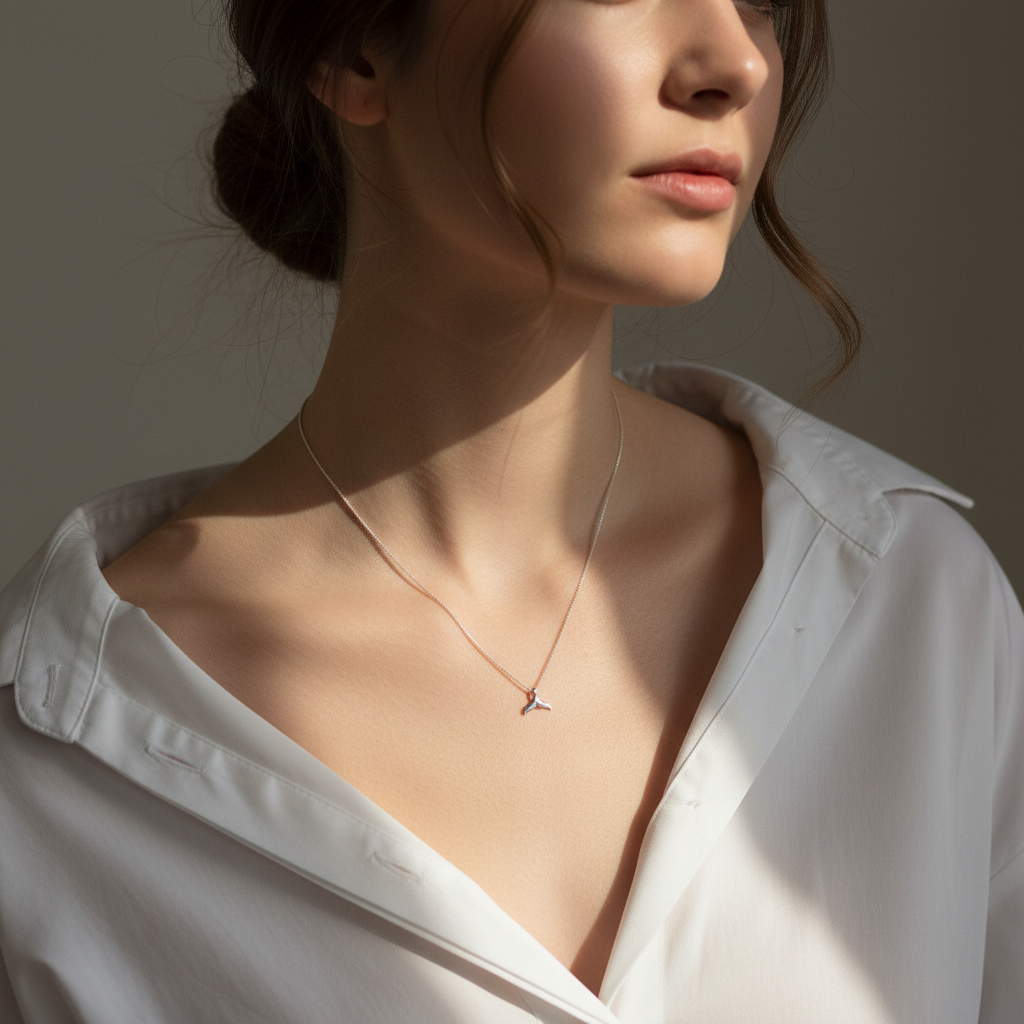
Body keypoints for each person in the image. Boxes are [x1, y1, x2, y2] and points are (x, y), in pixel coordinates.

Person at [0, 0, 1020, 1020]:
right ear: (353, 47)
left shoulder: (918, 608)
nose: (733, 63)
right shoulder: (52, 776)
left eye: (756, 0)